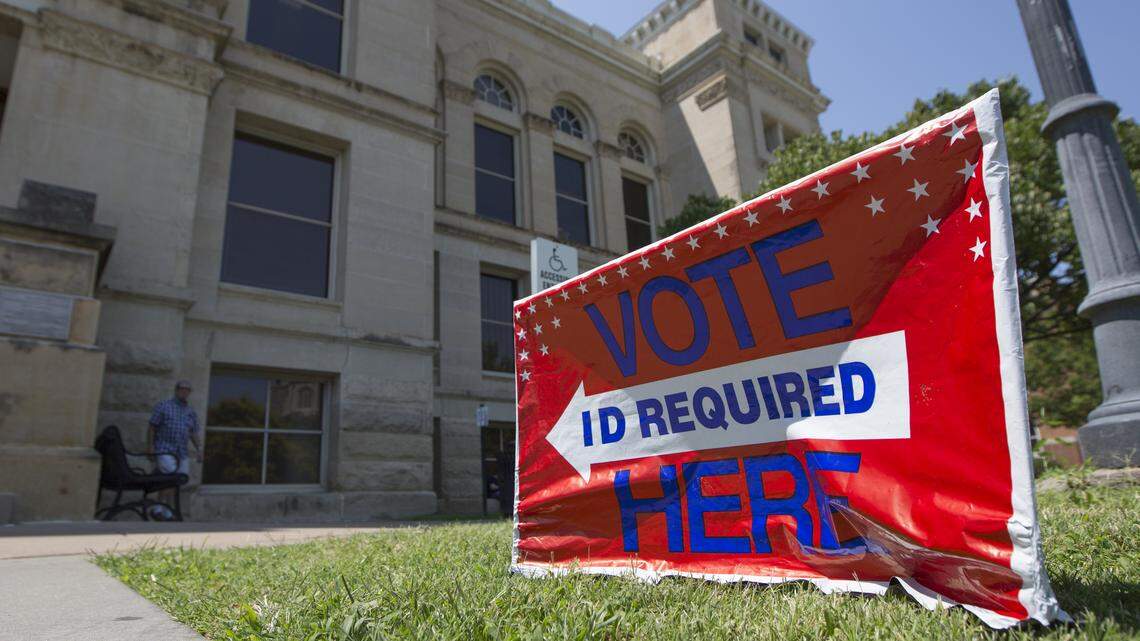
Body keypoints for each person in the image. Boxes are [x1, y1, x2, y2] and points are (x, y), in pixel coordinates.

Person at [147, 380, 203, 520]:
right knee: (170, 477)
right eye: (182, 389)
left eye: (187, 390)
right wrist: (150, 446)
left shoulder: (190, 412)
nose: (184, 392)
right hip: (165, 448)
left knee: (177, 479)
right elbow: (152, 426)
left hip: (181, 452)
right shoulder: (164, 406)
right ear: (176, 390)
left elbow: (193, 433)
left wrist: (199, 449)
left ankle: (163, 510)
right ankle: (162, 510)